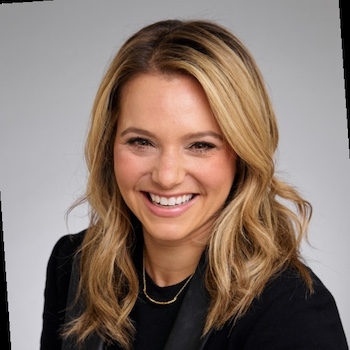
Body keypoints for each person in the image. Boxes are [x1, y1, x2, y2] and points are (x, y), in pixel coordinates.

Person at [40, 19, 348, 350]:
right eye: (141, 141)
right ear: (108, 146)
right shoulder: (74, 266)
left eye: (200, 145)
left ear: (242, 154)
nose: (167, 175)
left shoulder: (292, 310)